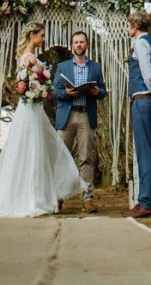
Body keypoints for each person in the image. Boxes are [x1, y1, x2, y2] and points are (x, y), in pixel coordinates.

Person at [0, 21, 82, 217]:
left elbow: (28, 83)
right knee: (33, 149)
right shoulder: (28, 58)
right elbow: (25, 84)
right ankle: (31, 198)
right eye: (41, 35)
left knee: (40, 148)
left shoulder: (28, 57)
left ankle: (37, 194)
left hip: (32, 108)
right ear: (32, 35)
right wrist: (42, 88)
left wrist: (41, 86)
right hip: (30, 109)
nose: (43, 39)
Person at [122, 10, 151, 219]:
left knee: (143, 151)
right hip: (149, 102)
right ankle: (145, 200)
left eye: (128, 25)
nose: (127, 29)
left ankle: (146, 202)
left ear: (134, 26)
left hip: (142, 100)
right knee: (145, 149)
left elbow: (149, 76)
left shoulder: (141, 44)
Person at [53, 31, 107, 213]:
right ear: (72, 46)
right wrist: (65, 94)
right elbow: (54, 92)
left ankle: (87, 199)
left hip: (85, 115)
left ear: (87, 45)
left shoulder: (96, 67)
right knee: (62, 158)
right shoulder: (62, 67)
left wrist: (96, 92)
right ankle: (58, 197)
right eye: (76, 42)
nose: (79, 45)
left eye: (82, 42)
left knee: (86, 158)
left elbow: (103, 91)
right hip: (66, 115)